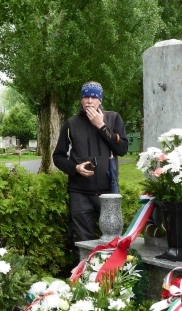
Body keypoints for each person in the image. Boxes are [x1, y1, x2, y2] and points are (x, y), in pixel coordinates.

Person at [52, 81, 128, 252]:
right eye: (86, 96)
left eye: (94, 97)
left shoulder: (113, 118)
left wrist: (101, 126)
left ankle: (113, 270)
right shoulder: (71, 124)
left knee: (113, 239)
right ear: (81, 99)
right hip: (79, 192)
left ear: (100, 100)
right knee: (82, 242)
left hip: (108, 191)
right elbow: (58, 157)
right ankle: (85, 269)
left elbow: (122, 149)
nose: (89, 101)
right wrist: (75, 168)